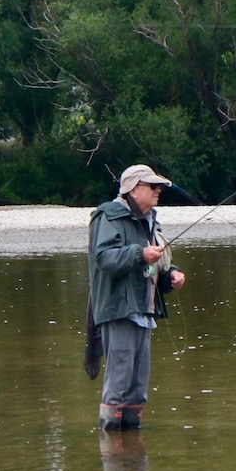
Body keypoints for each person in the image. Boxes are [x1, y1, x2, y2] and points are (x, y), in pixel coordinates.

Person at [85, 164, 186, 431]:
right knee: (118, 382)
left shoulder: (151, 221)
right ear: (133, 189)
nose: (158, 191)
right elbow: (105, 258)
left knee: (138, 387)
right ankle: (110, 439)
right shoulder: (108, 216)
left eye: (159, 186)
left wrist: (171, 276)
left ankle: (129, 444)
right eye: (152, 186)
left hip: (144, 310)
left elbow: (155, 266)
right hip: (118, 310)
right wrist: (140, 253)